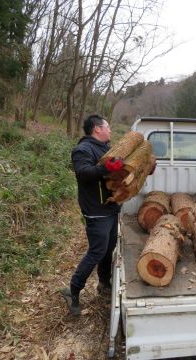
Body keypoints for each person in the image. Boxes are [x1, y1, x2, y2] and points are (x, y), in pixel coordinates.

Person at [61, 114, 124, 316]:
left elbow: (117, 172)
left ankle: (104, 283)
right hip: (96, 210)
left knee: (109, 248)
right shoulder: (83, 149)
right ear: (97, 129)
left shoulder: (107, 148)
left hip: (111, 208)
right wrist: (105, 167)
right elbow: (83, 173)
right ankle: (73, 290)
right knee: (97, 251)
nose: (110, 130)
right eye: (108, 127)